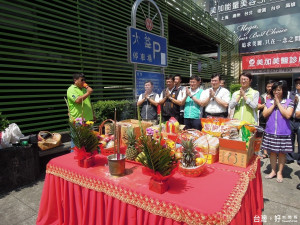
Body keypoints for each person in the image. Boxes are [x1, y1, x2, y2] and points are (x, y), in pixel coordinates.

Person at [262, 80, 294, 183]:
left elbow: (288, 115)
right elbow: (265, 114)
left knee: (281, 153)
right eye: (275, 89)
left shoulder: (289, 102)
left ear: (283, 90)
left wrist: (278, 104)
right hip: (270, 131)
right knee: (272, 153)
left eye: (279, 90)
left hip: (283, 132)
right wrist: (273, 104)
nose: (276, 92)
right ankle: (273, 171)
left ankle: (280, 172)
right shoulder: (268, 102)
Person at [67, 73, 95, 150]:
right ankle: (74, 156)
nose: (84, 82)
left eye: (84, 80)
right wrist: (88, 93)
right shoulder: (71, 89)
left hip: (88, 118)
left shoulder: (83, 89)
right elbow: (78, 100)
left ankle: (86, 155)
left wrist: (93, 114)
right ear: (75, 80)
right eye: (82, 80)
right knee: (77, 140)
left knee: (88, 139)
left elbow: (89, 103)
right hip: (77, 119)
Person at [257, 80, 274, 159]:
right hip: (263, 119)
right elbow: (258, 106)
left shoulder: (277, 96)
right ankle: (265, 152)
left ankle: (274, 152)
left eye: (271, 86)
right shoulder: (262, 96)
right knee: (263, 136)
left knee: (273, 136)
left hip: (274, 119)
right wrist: (267, 102)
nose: (270, 88)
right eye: (268, 86)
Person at [287, 77, 300, 164]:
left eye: (299, 83)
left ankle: (299, 159)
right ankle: (289, 157)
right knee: (289, 139)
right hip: (291, 119)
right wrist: (294, 102)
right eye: (296, 83)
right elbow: (287, 104)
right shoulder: (291, 94)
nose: (298, 84)